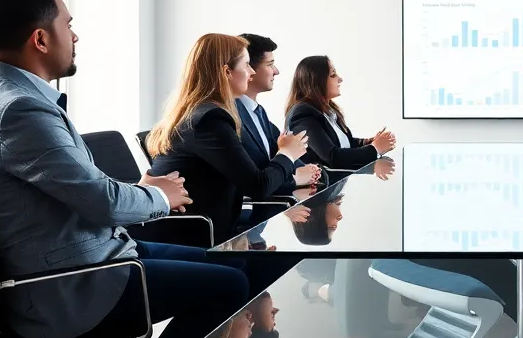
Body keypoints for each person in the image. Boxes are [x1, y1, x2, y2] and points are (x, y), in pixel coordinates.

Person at [0, 0, 251, 338]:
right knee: (232, 285)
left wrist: (144, 193)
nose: (76, 34)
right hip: (66, 285)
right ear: (41, 39)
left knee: (231, 264)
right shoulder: (18, 111)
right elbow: (102, 201)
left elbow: (85, 190)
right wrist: (157, 196)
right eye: (69, 24)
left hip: (80, 252)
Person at [147, 34, 321, 243]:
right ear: (227, 72)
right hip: (194, 236)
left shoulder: (206, 112)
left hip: (210, 229)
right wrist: (287, 153)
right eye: (247, 65)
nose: (252, 72)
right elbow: (258, 187)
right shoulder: (211, 119)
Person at [285, 55, 396, 170]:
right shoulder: (303, 113)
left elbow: (345, 144)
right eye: (333, 75)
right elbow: (333, 157)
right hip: (320, 186)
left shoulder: (328, 110)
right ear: (316, 81)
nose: (340, 79)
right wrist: (375, 148)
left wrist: (368, 142)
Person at [235, 33, 298, 195]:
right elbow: (256, 181)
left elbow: (282, 152)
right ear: (249, 70)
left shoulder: (259, 112)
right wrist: (296, 179)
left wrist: (313, 172)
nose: (276, 71)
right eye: (270, 64)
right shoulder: (228, 116)